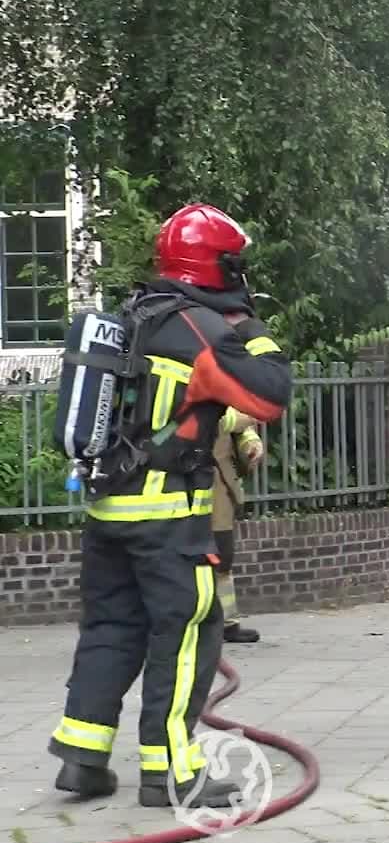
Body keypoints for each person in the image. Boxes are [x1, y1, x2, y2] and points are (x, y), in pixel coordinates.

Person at [48, 204, 292, 809]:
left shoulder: (132, 314)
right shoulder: (202, 331)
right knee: (188, 632)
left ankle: (82, 758)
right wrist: (251, 328)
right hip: (168, 517)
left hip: (109, 511)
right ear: (217, 264)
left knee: (110, 628)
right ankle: (172, 773)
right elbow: (270, 395)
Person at [211, 406, 267, 644]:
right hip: (182, 486)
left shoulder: (225, 387)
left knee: (223, 556)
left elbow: (244, 431)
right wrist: (237, 419)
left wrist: (251, 446)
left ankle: (228, 623)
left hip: (218, 488)